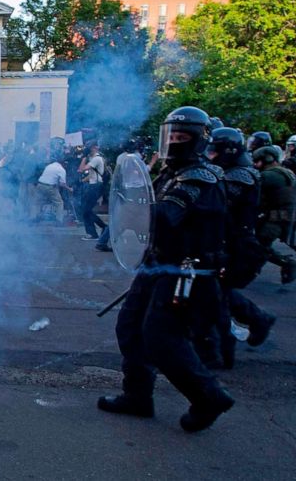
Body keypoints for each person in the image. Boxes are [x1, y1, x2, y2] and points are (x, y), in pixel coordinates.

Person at [98, 106, 234, 433]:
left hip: (186, 272)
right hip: (158, 264)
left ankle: (208, 396)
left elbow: (164, 217)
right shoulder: (172, 173)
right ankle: (137, 396)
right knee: (129, 327)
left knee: (162, 338)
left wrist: (128, 209)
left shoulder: (200, 177)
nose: (174, 142)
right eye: (171, 135)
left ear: (198, 140)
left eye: (182, 137)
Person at [203, 127, 274, 369]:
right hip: (228, 243)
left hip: (236, 247)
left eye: (215, 151)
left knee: (216, 298)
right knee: (217, 292)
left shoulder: (239, 177)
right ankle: (258, 318)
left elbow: (220, 209)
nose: (211, 155)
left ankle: (222, 353)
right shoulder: (235, 171)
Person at [252, 145, 296, 284]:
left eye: (258, 161)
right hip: (285, 214)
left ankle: (288, 263)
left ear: (267, 159)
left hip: (277, 216)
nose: (256, 164)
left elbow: (255, 194)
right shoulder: (283, 172)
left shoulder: (269, 175)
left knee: (260, 244)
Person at [78, 143, 108, 240]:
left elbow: (81, 169)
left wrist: (83, 157)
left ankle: (94, 233)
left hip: (95, 187)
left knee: (86, 210)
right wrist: (83, 181)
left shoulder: (96, 159)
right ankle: (102, 227)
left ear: (94, 148)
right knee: (86, 210)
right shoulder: (95, 159)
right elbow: (92, 175)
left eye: (89, 148)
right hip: (94, 186)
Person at [33, 155, 70, 224]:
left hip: (40, 185)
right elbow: (62, 184)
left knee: (37, 202)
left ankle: (35, 217)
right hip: (50, 187)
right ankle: (59, 220)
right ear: (63, 163)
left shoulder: (50, 165)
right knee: (59, 203)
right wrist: (69, 189)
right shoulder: (62, 170)